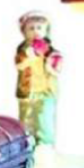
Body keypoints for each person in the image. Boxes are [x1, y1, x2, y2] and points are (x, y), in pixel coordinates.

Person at [15, 10, 62, 147]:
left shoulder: (51, 51)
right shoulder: (22, 50)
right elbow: (19, 65)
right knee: (26, 119)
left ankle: (45, 145)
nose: (35, 31)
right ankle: (26, 144)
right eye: (31, 28)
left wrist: (51, 64)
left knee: (45, 119)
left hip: (46, 91)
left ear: (46, 31)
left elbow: (56, 71)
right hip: (27, 91)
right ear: (24, 32)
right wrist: (31, 56)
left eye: (39, 28)